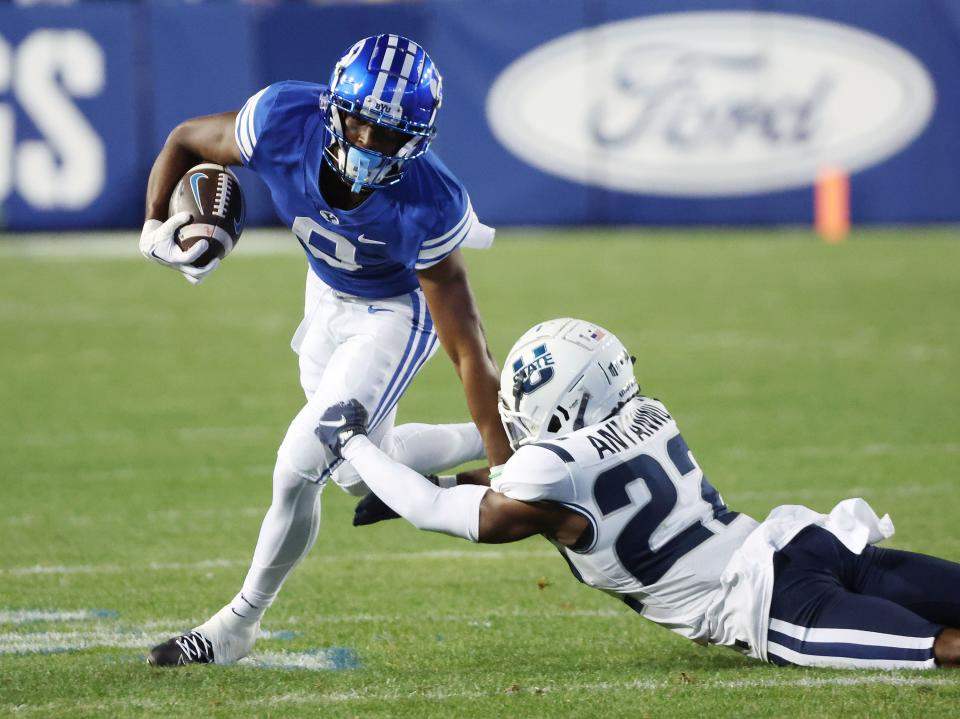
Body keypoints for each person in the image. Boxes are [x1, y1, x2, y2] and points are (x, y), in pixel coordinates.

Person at [141, 34, 512, 666]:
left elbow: (468, 349)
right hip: (326, 297)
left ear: (419, 141)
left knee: (299, 463)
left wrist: (508, 468)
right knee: (352, 468)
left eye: (390, 137)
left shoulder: (430, 200)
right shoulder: (283, 119)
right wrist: (154, 230)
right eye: (363, 125)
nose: (369, 147)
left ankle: (237, 623)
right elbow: (183, 140)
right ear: (334, 107)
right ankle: (531, 428)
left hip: (395, 315)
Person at [316, 317, 960, 670]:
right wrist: (450, 479)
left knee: (941, 648)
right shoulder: (650, 413)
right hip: (803, 540)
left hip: (768, 601)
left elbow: (441, 513)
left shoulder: (548, 477)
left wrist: (352, 444)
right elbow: (553, 482)